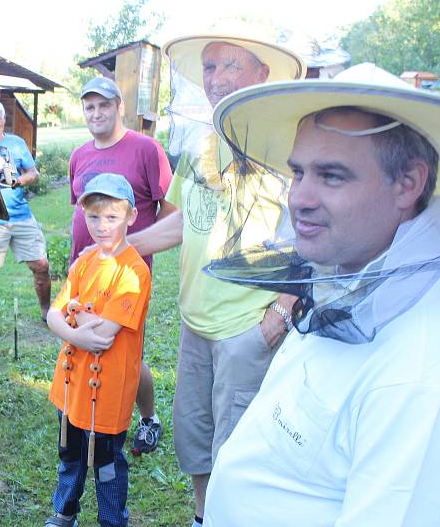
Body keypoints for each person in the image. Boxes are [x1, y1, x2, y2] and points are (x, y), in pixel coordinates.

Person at [202, 63, 440, 525]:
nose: (299, 197)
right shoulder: (354, 267)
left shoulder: (422, 367)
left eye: (332, 176)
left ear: (408, 183)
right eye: (298, 172)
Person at [126, 32, 306, 525]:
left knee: (239, 443)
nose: (218, 79)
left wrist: (282, 310)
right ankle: (204, 514)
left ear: (262, 74)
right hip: (194, 324)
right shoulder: (204, 144)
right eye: (209, 68)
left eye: (231, 66)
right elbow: (188, 217)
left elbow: (316, 238)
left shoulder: (286, 148)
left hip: (247, 328)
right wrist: (126, 244)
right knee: (194, 433)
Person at [70, 76, 175, 455]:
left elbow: (174, 213)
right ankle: (84, 419)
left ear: (119, 107)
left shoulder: (146, 149)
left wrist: (126, 250)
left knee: (125, 358)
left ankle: (147, 418)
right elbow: (78, 212)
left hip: (125, 279)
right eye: (89, 106)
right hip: (84, 273)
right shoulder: (78, 155)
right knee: (86, 345)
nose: (96, 113)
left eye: (103, 105)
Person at [45, 173, 152, 527]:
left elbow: (104, 336)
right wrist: (79, 322)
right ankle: (64, 512)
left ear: (131, 216)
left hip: (109, 393)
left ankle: (112, 521)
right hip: (71, 386)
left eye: (112, 217)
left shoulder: (134, 272)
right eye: (93, 217)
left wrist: (72, 315)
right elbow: (51, 315)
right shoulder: (84, 261)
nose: (101, 226)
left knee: (106, 463)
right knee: (70, 455)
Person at [0, 100, 51, 319]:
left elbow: (33, 174)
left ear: (4, 120)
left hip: (21, 215)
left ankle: (46, 312)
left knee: (41, 266)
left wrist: (16, 181)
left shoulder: (16, 143)